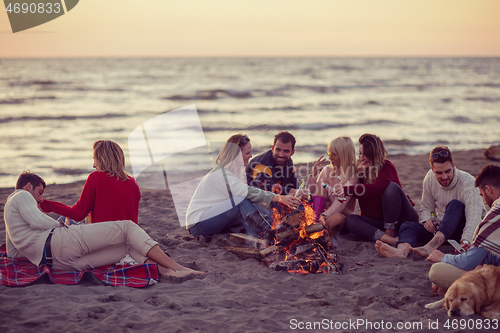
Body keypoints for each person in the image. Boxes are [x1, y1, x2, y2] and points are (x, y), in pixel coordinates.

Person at [4, 171, 203, 278]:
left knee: (126, 248)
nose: (40, 200)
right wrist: (65, 228)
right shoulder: (21, 195)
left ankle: (165, 271)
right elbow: (38, 220)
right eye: (39, 193)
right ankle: (177, 266)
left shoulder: (11, 215)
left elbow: (13, 253)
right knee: (126, 227)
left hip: (59, 263)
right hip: (59, 243)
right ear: (28, 186)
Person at [375, 146, 486, 259]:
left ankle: (430, 247)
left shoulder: (468, 182)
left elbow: (474, 218)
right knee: (408, 226)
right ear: (433, 170)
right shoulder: (430, 177)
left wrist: (465, 241)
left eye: (448, 171)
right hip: (442, 231)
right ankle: (401, 252)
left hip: (463, 232)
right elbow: (426, 207)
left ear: (453, 165)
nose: (444, 177)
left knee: (455, 204)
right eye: (439, 173)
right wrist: (428, 220)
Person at [186, 134, 299, 239]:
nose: (251, 156)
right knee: (240, 200)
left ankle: (275, 229)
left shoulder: (236, 172)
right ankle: (266, 232)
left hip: (215, 216)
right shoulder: (222, 173)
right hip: (198, 223)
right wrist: (278, 197)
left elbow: (251, 199)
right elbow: (247, 192)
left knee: (248, 211)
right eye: (247, 153)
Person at [427, 164, 500, 293]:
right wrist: (482, 253)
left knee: (436, 271)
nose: (483, 201)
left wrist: (443, 257)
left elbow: (468, 262)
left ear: (488, 189)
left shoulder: (495, 214)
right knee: (480, 264)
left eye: (482, 195)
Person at [340, 133, 419, 245]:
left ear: (374, 154)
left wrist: (346, 189)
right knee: (350, 220)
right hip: (379, 222)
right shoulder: (361, 171)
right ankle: (387, 238)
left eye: (365, 154)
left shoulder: (387, 167)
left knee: (390, 188)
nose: (361, 158)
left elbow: (375, 188)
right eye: (360, 153)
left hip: (403, 219)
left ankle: (390, 232)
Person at [39, 140, 141, 224]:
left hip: (104, 240)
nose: (93, 165)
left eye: (95, 160)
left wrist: (48, 205)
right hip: (128, 239)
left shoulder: (95, 178)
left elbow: (77, 214)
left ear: (102, 160)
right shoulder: (133, 183)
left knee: (63, 220)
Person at [309, 137, 358, 235]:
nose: (329, 157)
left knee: (337, 218)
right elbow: (312, 192)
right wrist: (313, 174)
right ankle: (314, 222)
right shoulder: (327, 169)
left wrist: (324, 215)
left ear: (344, 156)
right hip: (321, 213)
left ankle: (321, 230)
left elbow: (340, 203)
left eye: (333, 155)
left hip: (340, 214)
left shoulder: (352, 176)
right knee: (321, 186)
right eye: (329, 153)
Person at [246, 131, 300, 196]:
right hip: (253, 200)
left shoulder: (289, 162)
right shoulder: (261, 165)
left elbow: (295, 187)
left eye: (286, 151)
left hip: (274, 200)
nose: (281, 155)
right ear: (272, 148)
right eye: (278, 150)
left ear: (292, 152)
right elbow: (267, 189)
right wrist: (292, 191)